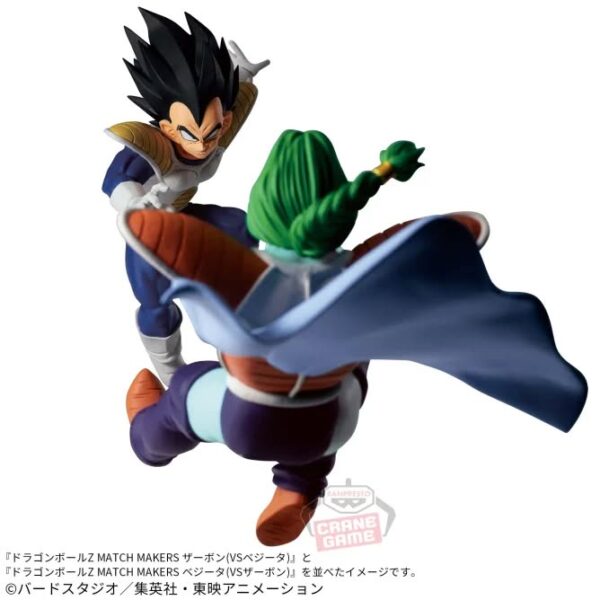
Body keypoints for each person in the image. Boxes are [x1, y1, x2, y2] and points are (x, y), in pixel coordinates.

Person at [119, 130, 587, 546]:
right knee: (352, 353)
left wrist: (143, 206)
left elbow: (154, 233)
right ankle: (300, 486)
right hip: (330, 421)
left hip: (246, 419)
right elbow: (444, 236)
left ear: (263, 205)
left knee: (186, 390)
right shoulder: (359, 271)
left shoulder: (246, 272)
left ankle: (148, 438)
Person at [101, 8, 269, 384]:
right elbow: (114, 180)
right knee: (154, 298)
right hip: (149, 232)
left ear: (224, 122)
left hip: (185, 214)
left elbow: (235, 103)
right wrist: (135, 203)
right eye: (191, 134)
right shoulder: (151, 147)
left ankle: (237, 324)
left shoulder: (220, 130)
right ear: (166, 127)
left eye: (213, 131)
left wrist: (241, 73)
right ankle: (171, 373)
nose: (204, 145)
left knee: (241, 227)